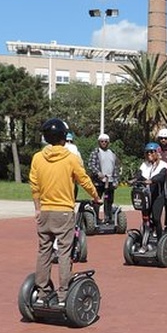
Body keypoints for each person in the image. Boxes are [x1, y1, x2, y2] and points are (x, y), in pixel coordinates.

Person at [30, 118, 100, 306]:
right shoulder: (70, 158)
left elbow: (34, 185)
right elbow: (84, 179)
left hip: (44, 211)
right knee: (64, 252)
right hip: (63, 212)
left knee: (44, 251)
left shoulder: (37, 158)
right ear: (63, 137)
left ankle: (42, 292)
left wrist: (37, 207)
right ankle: (63, 294)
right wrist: (96, 196)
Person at [137, 142, 167, 249]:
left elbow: (161, 176)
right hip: (145, 196)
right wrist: (137, 179)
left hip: (157, 196)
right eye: (147, 152)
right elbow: (139, 175)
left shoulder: (163, 165)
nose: (149, 154)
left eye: (152, 152)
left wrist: (152, 180)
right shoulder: (144, 165)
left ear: (157, 152)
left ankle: (160, 241)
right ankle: (145, 242)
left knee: (155, 219)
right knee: (145, 219)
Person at [87, 133, 121, 224]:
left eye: (106, 141)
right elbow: (90, 165)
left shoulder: (112, 153)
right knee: (97, 200)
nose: (104, 143)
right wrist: (98, 173)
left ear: (108, 142)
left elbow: (116, 167)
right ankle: (95, 219)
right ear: (99, 142)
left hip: (109, 181)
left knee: (109, 201)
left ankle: (108, 218)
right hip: (99, 181)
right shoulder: (96, 152)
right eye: (102, 141)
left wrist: (116, 180)